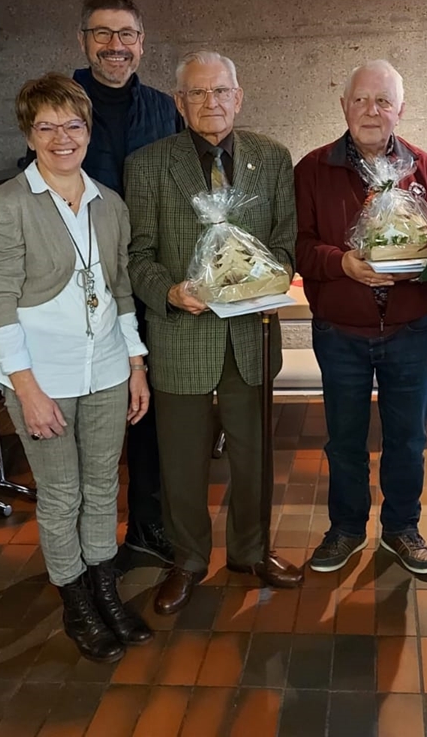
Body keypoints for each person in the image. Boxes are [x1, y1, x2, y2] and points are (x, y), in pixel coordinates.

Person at [0, 73, 154, 663]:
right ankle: (75, 601)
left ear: (88, 130)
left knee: (104, 488)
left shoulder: (110, 203)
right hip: (41, 376)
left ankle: (105, 589)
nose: (61, 138)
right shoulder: (5, 205)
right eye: (46, 126)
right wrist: (24, 387)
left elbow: (121, 288)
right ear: (29, 133)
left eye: (73, 125)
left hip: (105, 366)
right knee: (61, 493)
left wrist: (135, 363)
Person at [125, 50, 303, 614]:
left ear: (239, 95)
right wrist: (171, 292)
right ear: (179, 103)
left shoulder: (272, 158)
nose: (211, 103)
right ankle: (188, 560)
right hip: (181, 335)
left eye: (220, 91)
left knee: (254, 457)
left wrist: (259, 278)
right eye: (197, 94)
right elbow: (137, 256)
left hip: (251, 337)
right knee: (180, 461)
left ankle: (251, 550)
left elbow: (285, 242)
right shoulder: (149, 164)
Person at [24, 0, 183, 565]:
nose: (115, 46)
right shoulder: (59, 108)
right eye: (102, 34)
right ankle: (84, 557)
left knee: (147, 416)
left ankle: (145, 524)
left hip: (144, 282)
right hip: (78, 300)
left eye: (127, 35)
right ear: (83, 40)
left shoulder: (165, 107)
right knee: (83, 433)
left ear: (141, 42)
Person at [294, 60, 427, 576]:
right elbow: (298, 248)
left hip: (410, 330)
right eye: (361, 99)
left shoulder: (424, 169)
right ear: (343, 106)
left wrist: (416, 258)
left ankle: (402, 528)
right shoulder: (313, 170)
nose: (371, 110)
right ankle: (345, 528)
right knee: (344, 438)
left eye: (383, 101)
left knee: (408, 438)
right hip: (341, 333)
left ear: (400, 110)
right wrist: (343, 263)